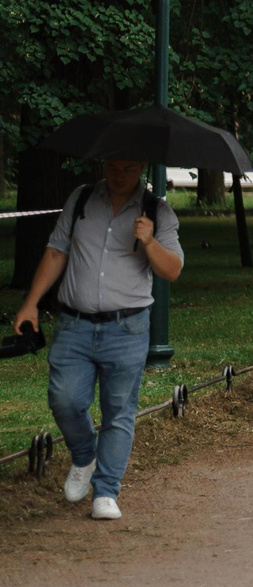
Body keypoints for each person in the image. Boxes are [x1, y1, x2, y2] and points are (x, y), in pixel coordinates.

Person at [11, 156, 183, 520]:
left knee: (119, 410)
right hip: (74, 323)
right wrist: (31, 304)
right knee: (64, 399)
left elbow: (172, 270)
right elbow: (57, 251)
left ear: (141, 168)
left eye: (128, 168)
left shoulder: (158, 211)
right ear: (104, 164)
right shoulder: (82, 198)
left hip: (128, 327)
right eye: (113, 167)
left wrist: (149, 241)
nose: (119, 175)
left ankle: (106, 490)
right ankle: (85, 455)